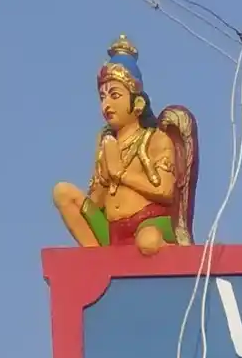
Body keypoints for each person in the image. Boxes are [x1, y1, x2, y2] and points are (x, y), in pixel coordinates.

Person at [53, 35, 196, 252]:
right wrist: (103, 176)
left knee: (147, 243)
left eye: (115, 96)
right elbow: (98, 202)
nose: (106, 105)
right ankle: (96, 257)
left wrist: (121, 174)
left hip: (148, 223)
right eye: (102, 97)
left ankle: (173, 252)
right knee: (62, 192)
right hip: (113, 229)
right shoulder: (105, 141)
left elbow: (166, 190)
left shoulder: (155, 138)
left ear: (137, 103)